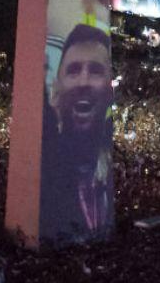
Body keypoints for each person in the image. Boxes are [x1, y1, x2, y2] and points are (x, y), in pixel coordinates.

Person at [41, 24, 113, 241]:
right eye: (73, 70)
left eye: (96, 71)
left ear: (110, 93)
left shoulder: (109, 169)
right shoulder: (44, 180)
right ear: (54, 93)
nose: (84, 82)